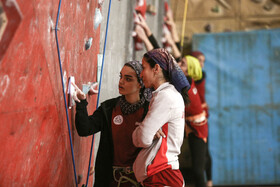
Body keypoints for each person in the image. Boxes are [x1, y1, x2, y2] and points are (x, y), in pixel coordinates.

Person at [73, 61, 150, 187]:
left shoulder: (150, 111)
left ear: (140, 84)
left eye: (128, 79)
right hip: (110, 179)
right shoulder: (108, 108)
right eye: (121, 77)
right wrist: (81, 103)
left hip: (140, 180)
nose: (121, 82)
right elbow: (85, 129)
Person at [132, 48, 190, 186]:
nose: (141, 74)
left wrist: (141, 130)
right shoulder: (164, 94)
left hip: (163, 175)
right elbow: (143, 135)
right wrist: (143, 131)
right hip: (161, 175)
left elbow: (142, 138)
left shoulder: (166, 96)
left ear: (156, 68)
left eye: (144, 67)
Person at [178, 56, 208, 187]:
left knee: (198, 169)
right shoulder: (188, 81)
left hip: (197, 128)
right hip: (193, 125)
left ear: (189, 71)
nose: (178, 64)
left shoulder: (185, 84)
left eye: (182, 63)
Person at [191, 51, 213, 187]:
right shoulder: (187, 78)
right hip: (187, 121)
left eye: (203, 61)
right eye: (199, 60)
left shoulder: (200, 75)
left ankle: (209, 181)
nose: (201, 64)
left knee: (204, 153)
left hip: (200, 121)